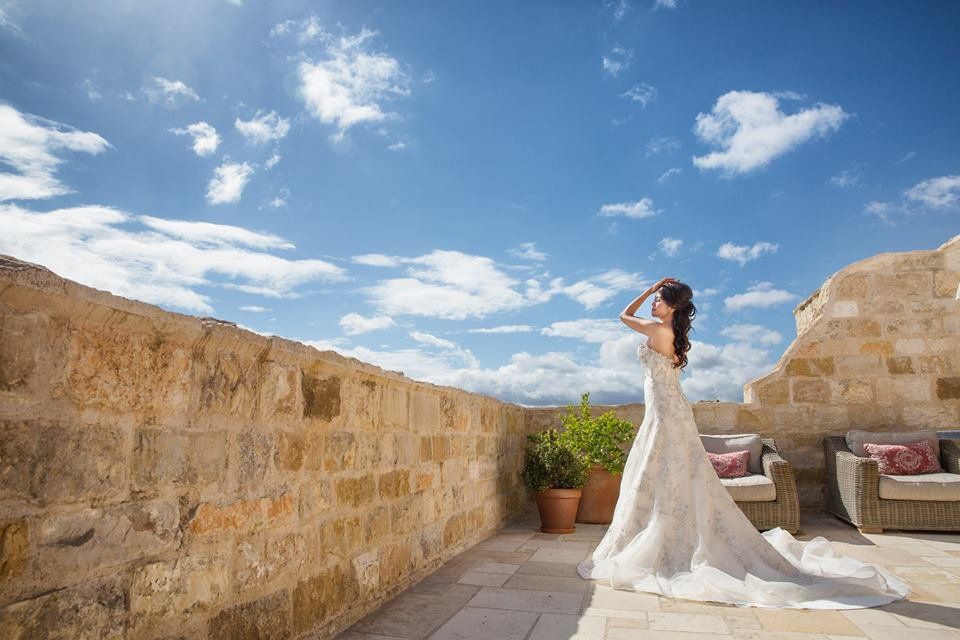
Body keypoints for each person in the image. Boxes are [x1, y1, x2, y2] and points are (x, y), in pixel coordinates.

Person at [576, 277, 909, 609]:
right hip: (669, 409)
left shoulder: (660, 331)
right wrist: (653, 292)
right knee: (668, 474)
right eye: (654, 299)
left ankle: (668, 539)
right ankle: (668, 532)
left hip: (666, 412)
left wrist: (646, 289)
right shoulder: (671, 333)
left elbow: (622, 316)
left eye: (659, 299)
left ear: (673, 306)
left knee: (662, 472)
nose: (653, 304)